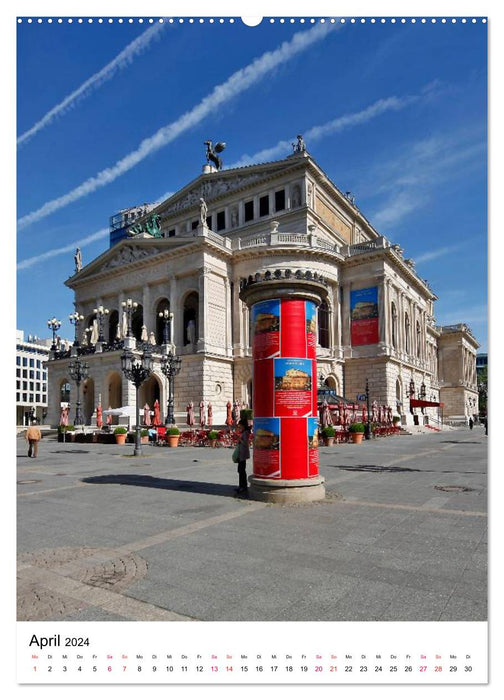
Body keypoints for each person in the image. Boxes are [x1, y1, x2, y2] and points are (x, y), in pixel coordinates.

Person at [236, 418, 251, 497]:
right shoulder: (243, 432)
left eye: (240, 425)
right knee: (240, 470)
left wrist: (239, 439)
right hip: (241, 453)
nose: (239, 427)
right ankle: (241, 486)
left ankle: (243, 486)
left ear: (243, 426)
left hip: (243, 454)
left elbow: (245, 443)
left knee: (241, 470)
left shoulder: (245, 433)